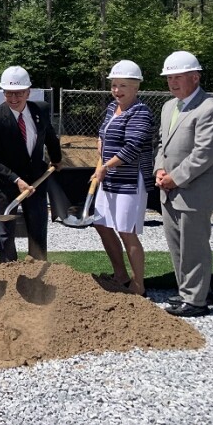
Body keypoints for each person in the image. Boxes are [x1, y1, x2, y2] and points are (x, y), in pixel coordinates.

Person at [154, 51, 213, 317]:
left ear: (195, 77)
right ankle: (188, 292)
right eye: (169, 78)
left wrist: (174, 177)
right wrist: (159, 169)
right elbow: (161, 144)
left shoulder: (209, 108)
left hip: (194, 191)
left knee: (194, 246)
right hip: (168, 191)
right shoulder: (169, 107)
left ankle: (196, 301)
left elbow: (205, 153)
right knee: (177, 245)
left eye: (177, 77)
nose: (172, 82)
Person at [0, 66, 62, 262]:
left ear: (28, 91)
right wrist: (16, 180)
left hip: (36, 182)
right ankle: (9, 271)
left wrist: (56, 158)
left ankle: (37, 273)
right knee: (6, 235)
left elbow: (50, 136)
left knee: (37, 230)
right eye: (8, 93)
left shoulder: (40, 109)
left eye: (18, 93)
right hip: (6, 185)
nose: (13, 98)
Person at [91, 61, 155, 297]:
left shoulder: (141, 112)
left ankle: (139, 286)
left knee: (126, 231)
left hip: (129, 181)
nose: (117, 90)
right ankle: (120, 275)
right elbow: (103, 133)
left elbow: (133, 147)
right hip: (109, 179)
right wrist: (100, 144)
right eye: (114, 85)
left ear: (136, 87)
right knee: (101, 223)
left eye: (124, 86)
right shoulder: (111, 107)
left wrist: (106, 166)